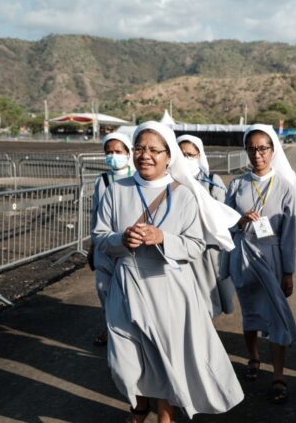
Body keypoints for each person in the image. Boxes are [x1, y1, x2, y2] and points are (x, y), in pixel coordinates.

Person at [93, 121, 243, 423]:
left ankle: (165, 416)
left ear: (168, 155)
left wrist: (164, 238)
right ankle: (139, 405)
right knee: (124, 362)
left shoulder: (185, 195)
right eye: (139, 148)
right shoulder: (117, 190)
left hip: (169, 288)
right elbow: (99, 236)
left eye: (153, 149)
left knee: (164, 358)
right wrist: (120, 239)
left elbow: (195, 245)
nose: (144, 155)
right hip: (128, 285)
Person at [225, 123, 296, 404]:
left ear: (273, 150)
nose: (257, 154)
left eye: (263, 148)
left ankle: (278, 374)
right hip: (243, 254)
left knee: (276, 315)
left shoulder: (286, 187)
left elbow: (289, 234)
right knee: (250, 313)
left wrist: (288, 272)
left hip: (272, 257)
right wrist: (239, 221)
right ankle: (253, 357)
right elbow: (223, 224)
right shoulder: (237, 185)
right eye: (251, 149)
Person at [176, 134, 233, 318]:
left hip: (208, 250)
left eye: (190, 155)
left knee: (209, 294)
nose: (186, 159)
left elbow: (224, 212)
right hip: (180, 248)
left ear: (199, 156)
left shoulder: (212, 180)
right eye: (182, 154)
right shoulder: (170, 181)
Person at [90, 132, 134, 346]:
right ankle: (110, 329)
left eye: (118, 152)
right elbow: (95, 214)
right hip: (105, 244)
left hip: (129, 246)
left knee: (129, 291)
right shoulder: (102, 181)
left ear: (128, 153)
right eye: (109, 152)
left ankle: (130, 330)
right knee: (103, 289)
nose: (113, 156)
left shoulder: (137, 178)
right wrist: (93, 244)